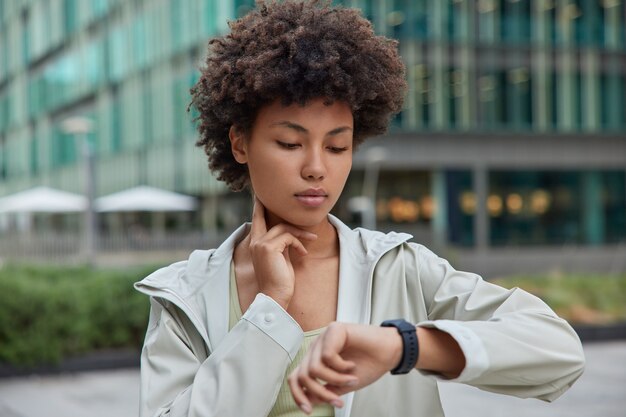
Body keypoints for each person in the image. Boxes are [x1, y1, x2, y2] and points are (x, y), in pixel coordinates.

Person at [134, 1, 585, 416]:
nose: (316, 168)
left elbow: (558, 352)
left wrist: (404, 346)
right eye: (290, 143)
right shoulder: (185, 295)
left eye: (337, 146)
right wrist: (268, 307)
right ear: (239, 143)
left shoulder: (399, 268)